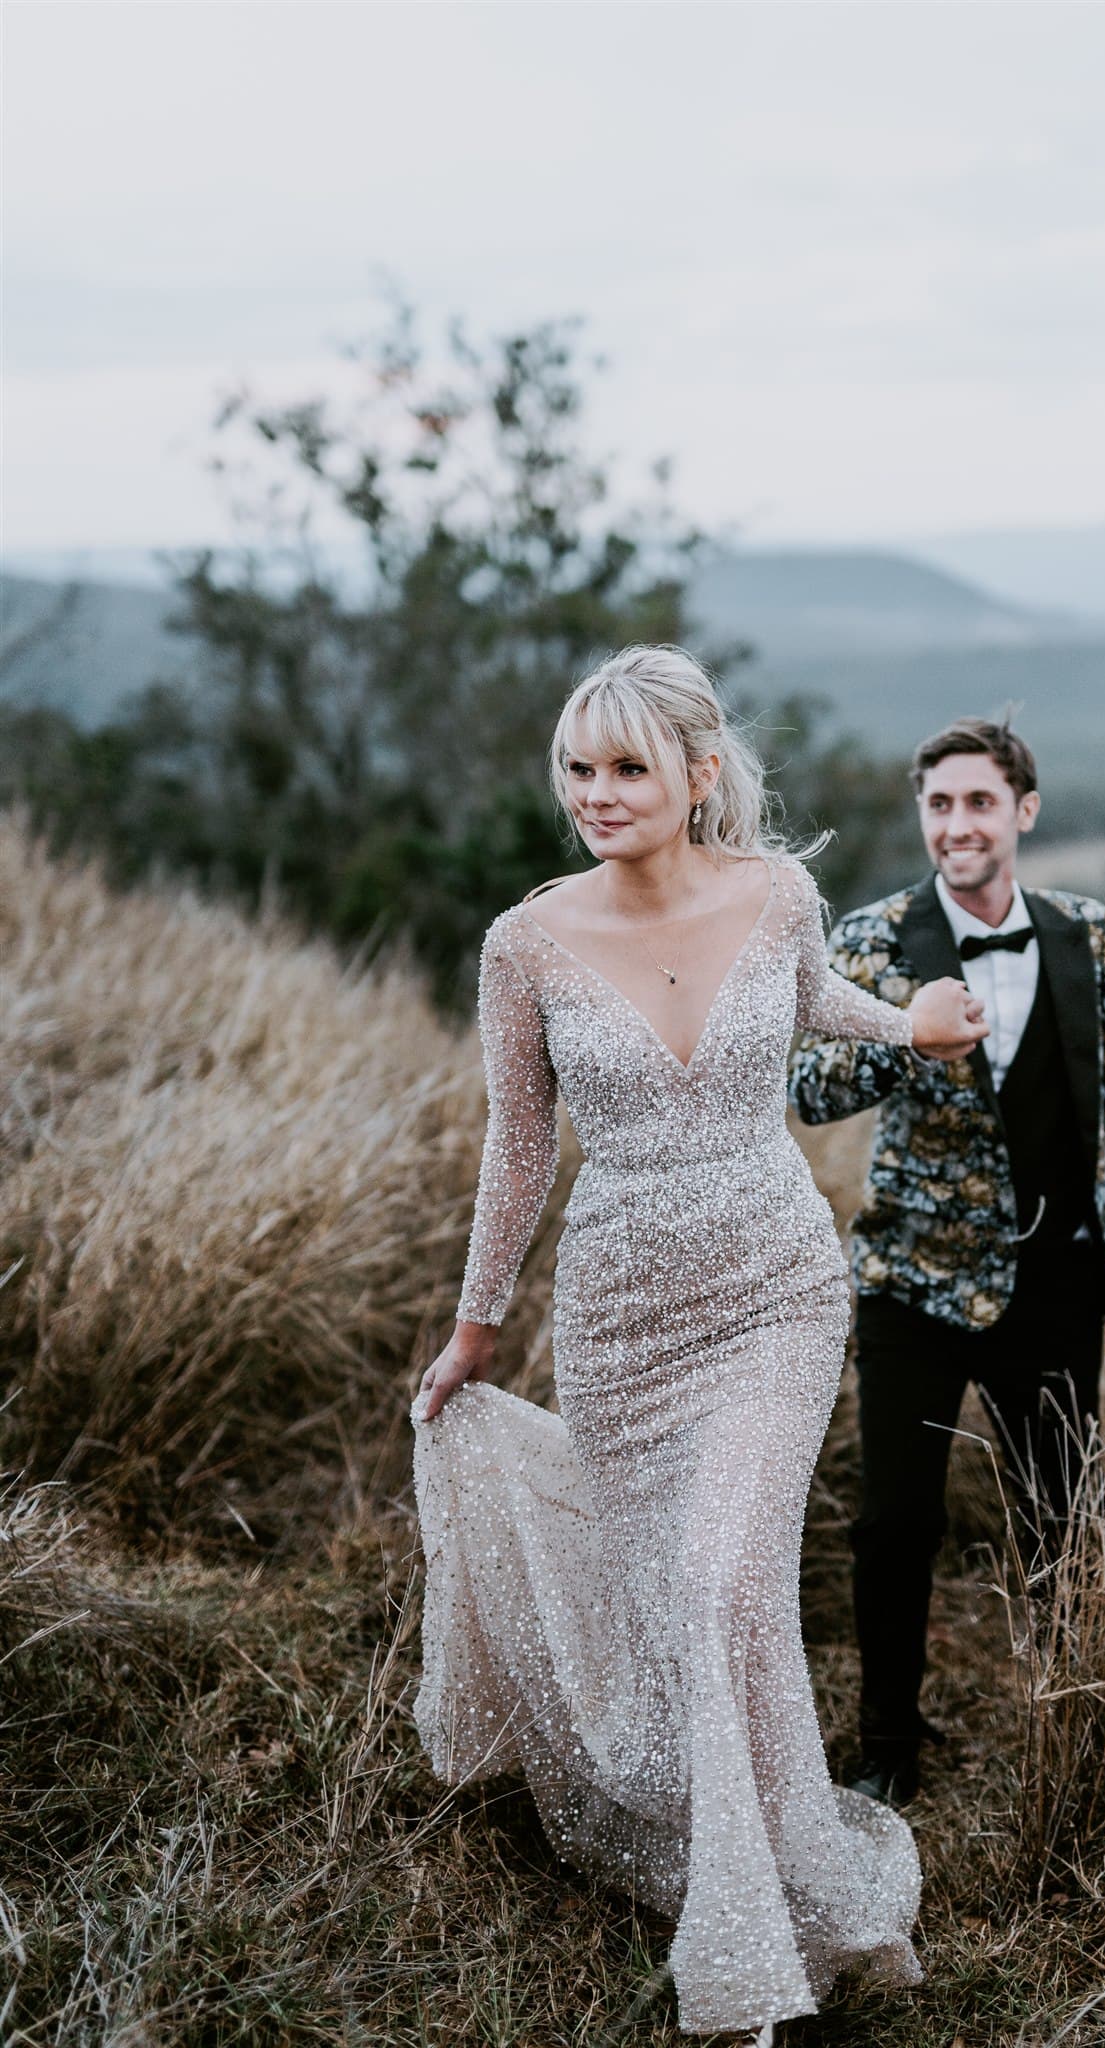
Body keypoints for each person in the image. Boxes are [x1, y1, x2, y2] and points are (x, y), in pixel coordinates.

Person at [410, 648, 988, 2044]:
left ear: (697, 777)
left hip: (774, 1292)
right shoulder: (526, 943)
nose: (595, 795)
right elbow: (521, 1145)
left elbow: (813, 1002)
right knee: (680, 1588)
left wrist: (908, 1020)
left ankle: (749, 1936)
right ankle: (724, 1843)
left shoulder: (777, 895)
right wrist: (477, 1326)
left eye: (625, 769)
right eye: (578, 769)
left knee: (728, 1570)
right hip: (621, 1319)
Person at [789, 717, 1105, 1807]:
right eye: (940, 804)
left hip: (1054, 1280)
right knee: (895, 1521)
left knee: (1059, 1517)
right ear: (923, 814)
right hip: (911, 1277)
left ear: (1022, 812)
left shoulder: (1086, 932)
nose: (958, 824)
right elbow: (803, 1090)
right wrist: (905, 1030)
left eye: (979, 803)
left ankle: (1068, 1729)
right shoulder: (875, 934)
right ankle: (887, 1745)